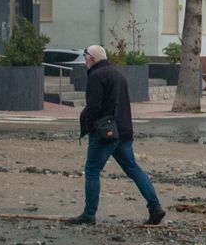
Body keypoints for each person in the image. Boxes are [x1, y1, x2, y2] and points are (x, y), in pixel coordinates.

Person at [70, 45, 164, 226]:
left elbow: (94, 106)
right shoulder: (118, 74)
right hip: (124, 130)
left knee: (92, 169)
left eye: (85, 56)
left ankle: (89, 214)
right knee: (133, 169)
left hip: (105, 132)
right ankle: (155, 208)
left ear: (92, 59)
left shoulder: (96, 76)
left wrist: (88, 124)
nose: (84, 61)